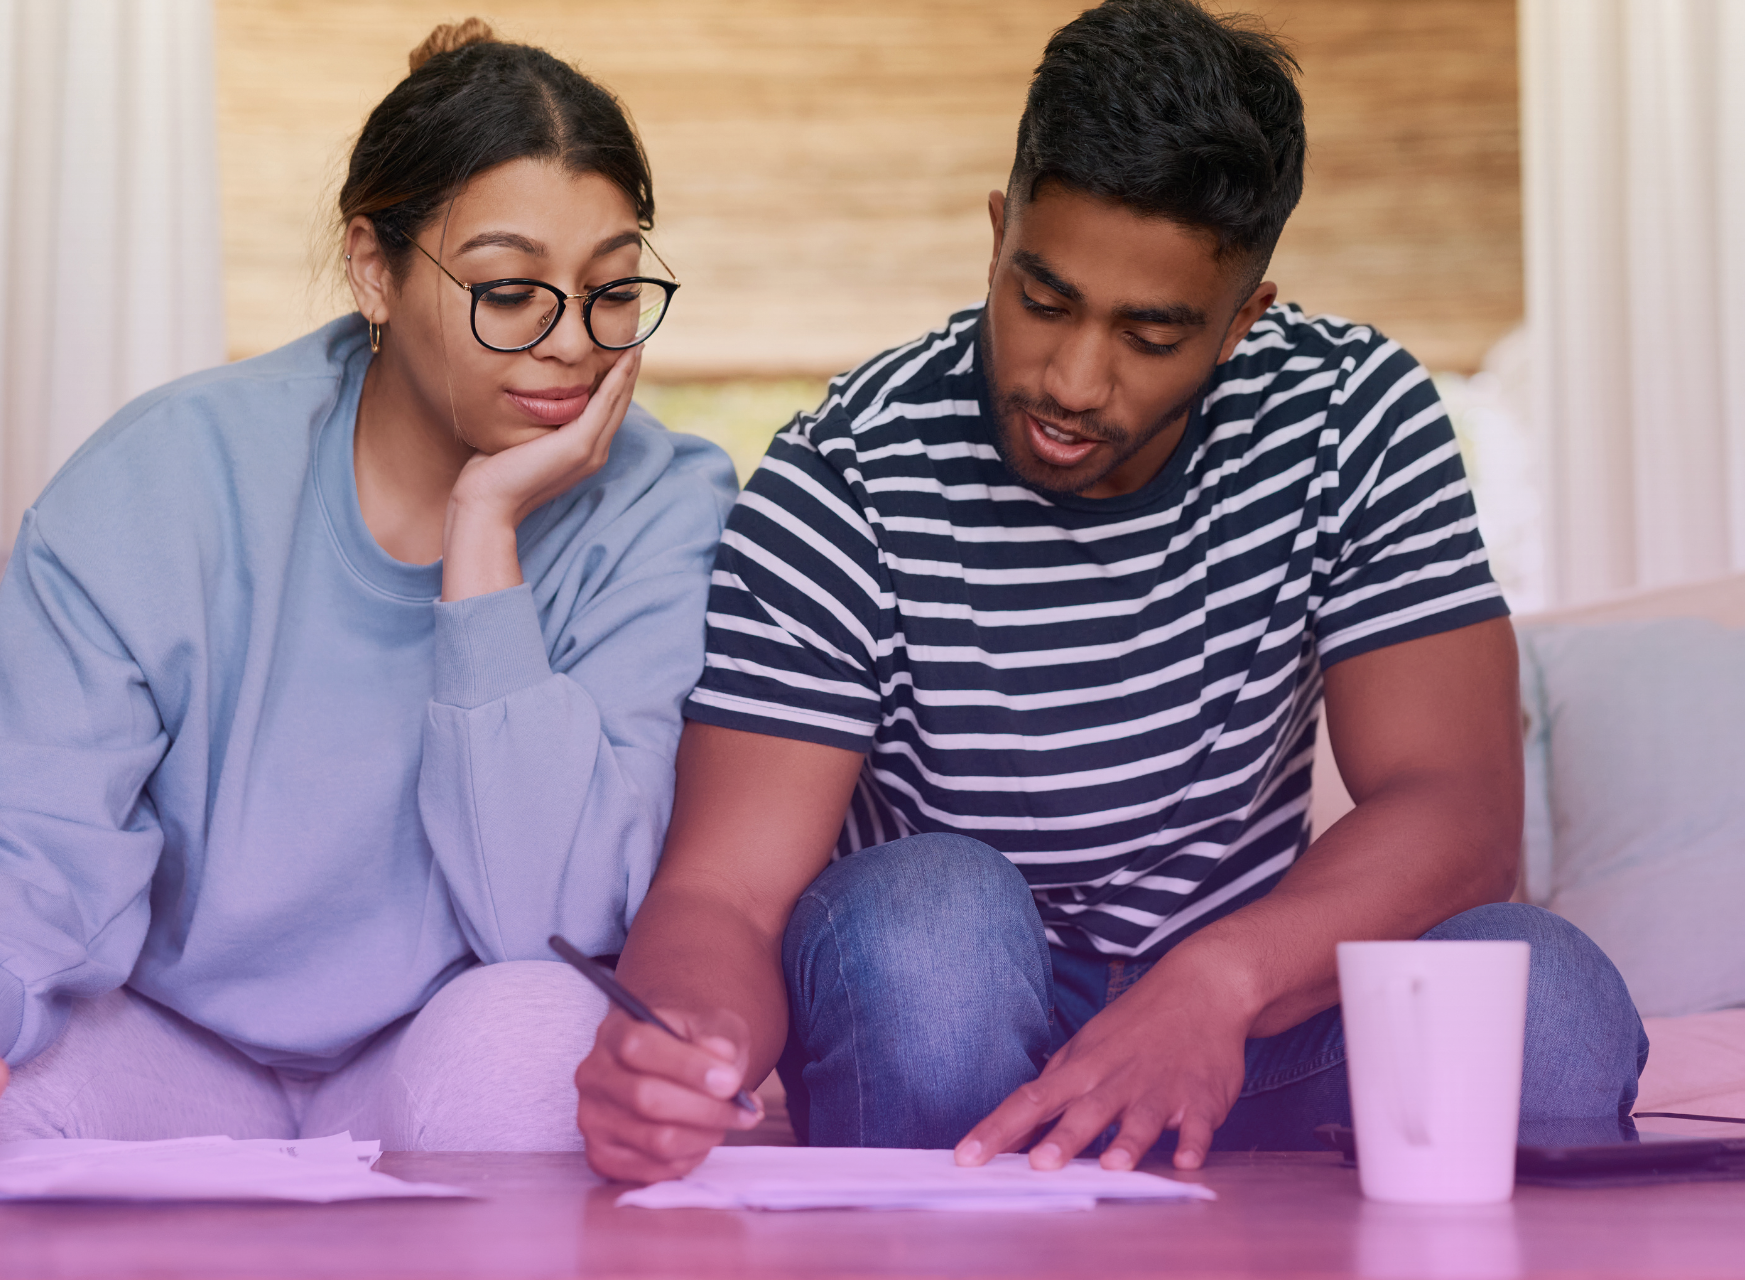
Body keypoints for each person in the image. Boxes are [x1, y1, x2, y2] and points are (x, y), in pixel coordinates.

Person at [574, 0, 1646, 1182]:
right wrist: (682, 1041)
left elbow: (1459, 809)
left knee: (1552, 1004)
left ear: (1244, 319)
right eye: (1043, 299)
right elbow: (724, 891)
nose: (1072, 380)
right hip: (967, 1039)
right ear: (998, 235)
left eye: (1149, 333)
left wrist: (1217, 986)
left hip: (1250, 1019)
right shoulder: (846, 472)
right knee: (932, 921)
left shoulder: (1353, 414)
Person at [0, 20, 735, 1182]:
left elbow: (541, 918)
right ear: (374, 264)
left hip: (431, 1045)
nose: (569, 345)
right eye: (511, 291)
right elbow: (40, 826)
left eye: (611, 291)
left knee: (538, 1045)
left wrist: (484, 532)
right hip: (168, 1044)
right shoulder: (164, 474)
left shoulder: (664, 504)